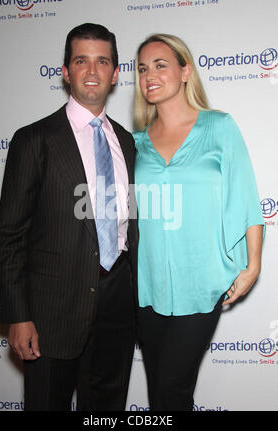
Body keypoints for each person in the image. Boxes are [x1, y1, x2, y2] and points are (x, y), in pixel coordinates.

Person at [0, 23, 138, 411]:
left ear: (115, 73)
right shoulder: (34, 139)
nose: (92, 71)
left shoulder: (127, 141)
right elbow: (10, 236)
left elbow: (130, 223)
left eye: (102, 61)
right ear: (65, 70)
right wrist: (17, 317)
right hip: (51, 313)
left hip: (117, 307)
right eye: (81, 61)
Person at [132, 33, 264, 411]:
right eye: (142, 68)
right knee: (161, 392)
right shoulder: (135, 143)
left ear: (185, 70)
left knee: (170, 391)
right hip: (146, 287)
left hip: (203, 281)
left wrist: (252, 266)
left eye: (160, 65)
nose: (149, 75)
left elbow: (246, 197)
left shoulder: (219, 127)